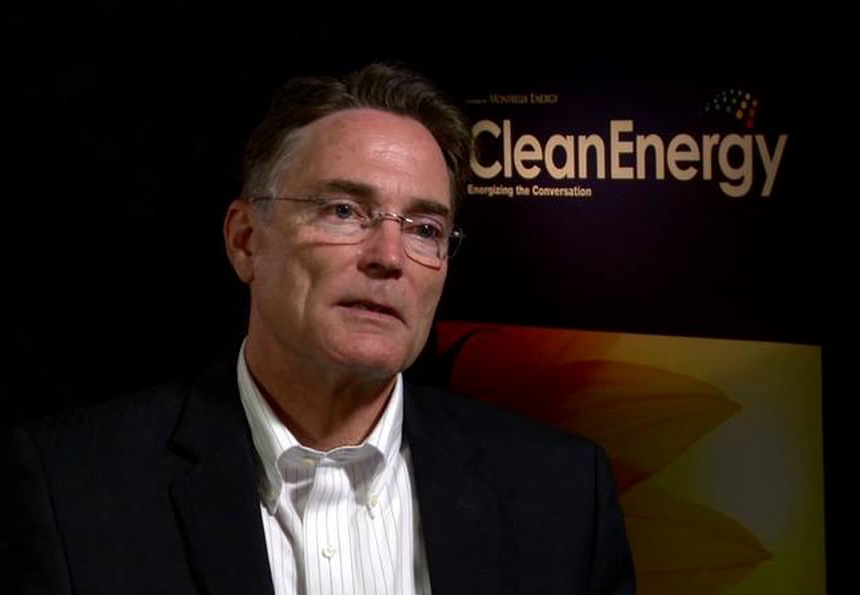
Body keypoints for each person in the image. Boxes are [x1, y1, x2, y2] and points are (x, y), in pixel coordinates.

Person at [2, 63, 635, 595]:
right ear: (245, 240)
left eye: (425, 229)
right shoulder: (72, 491)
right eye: (344, 210)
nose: (389, 257)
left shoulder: (561, 495)